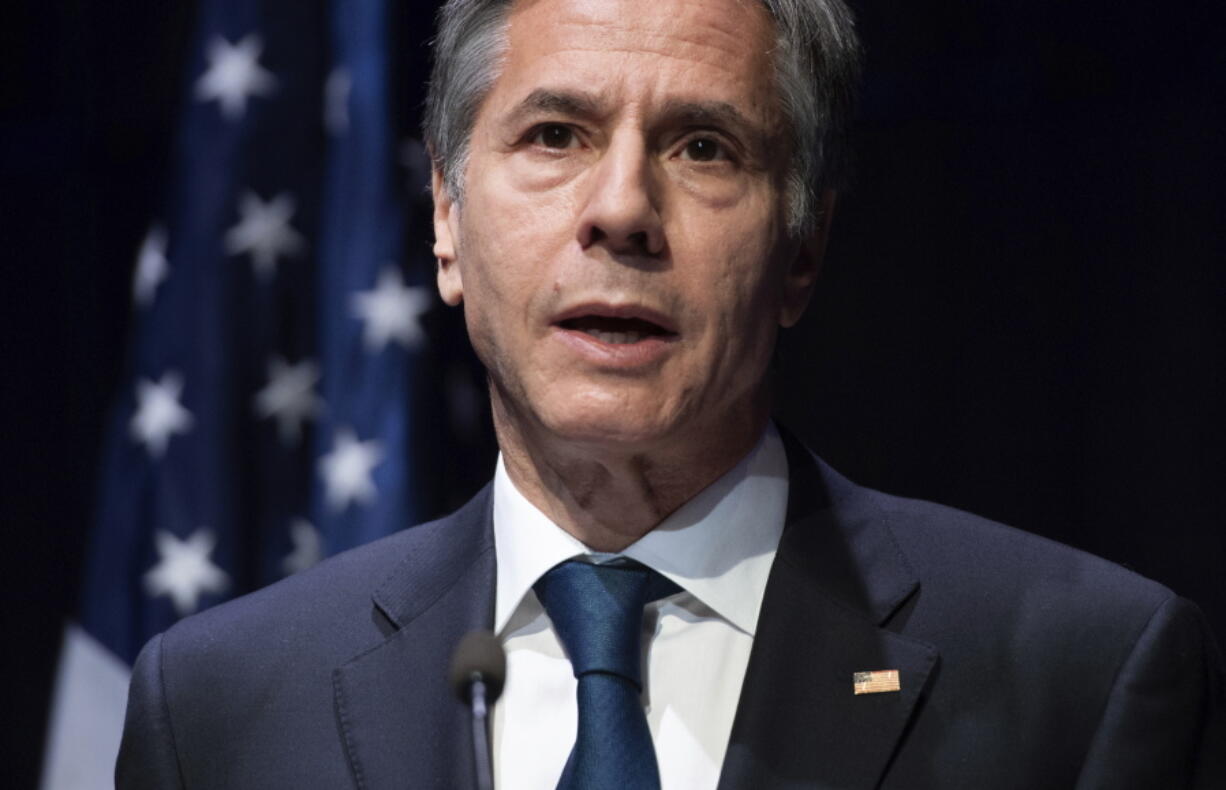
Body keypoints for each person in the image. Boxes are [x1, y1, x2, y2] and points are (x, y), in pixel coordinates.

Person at [116, 0, 1225, 787]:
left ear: (803, 248)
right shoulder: (222, 704)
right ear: (446, 221)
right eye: (555, 135)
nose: (621, 209)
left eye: (702, 147)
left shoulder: (1082, 678)